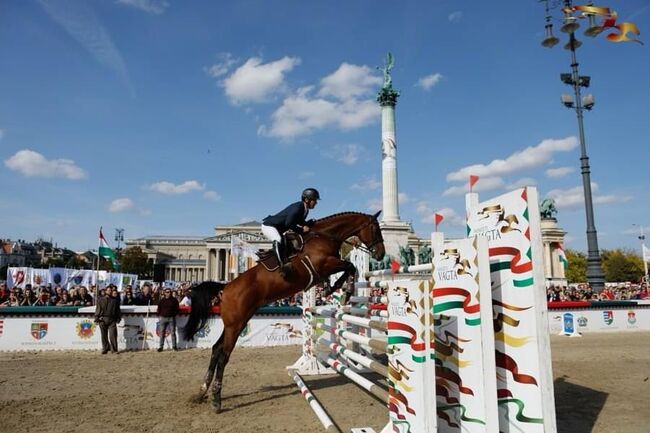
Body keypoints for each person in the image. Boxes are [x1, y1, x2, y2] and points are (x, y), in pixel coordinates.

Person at [261, 188, 320, 276]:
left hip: (278, 228)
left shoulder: (305, 209)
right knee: (278, 239)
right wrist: (301, 229)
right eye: (314, 200)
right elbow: (289, 223)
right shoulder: (298, 207)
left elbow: (299, 222)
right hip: (269, 226)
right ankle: (283, 266)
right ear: (307, 200)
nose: (316, 202)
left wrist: (308, 223)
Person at [94, 285, 122, 354]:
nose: (109, 291)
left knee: (113, 335)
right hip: (102, 319)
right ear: (105, 291)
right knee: (104, 335)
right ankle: (105, 348)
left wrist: (118, 318)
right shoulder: (100, 300)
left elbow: (118, 310)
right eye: (108, 290)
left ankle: (114, 350)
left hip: (112, 319)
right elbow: (98, 309)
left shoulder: (115, 300)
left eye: (111, 290)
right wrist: (96, 318)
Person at [157, 288, 179, 352]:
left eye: (169, 292)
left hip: (171, 318)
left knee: (173, 333)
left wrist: (173, 315)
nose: (168, 293)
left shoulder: (174, 300)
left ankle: (174, 347)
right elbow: (159, 308)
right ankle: (161, 347)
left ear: (171, 292)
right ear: (164, 293)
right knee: (162, 333)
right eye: (166, 292)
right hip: (163, 318)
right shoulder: (162, 300)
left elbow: (177, 309)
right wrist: (160, 315)